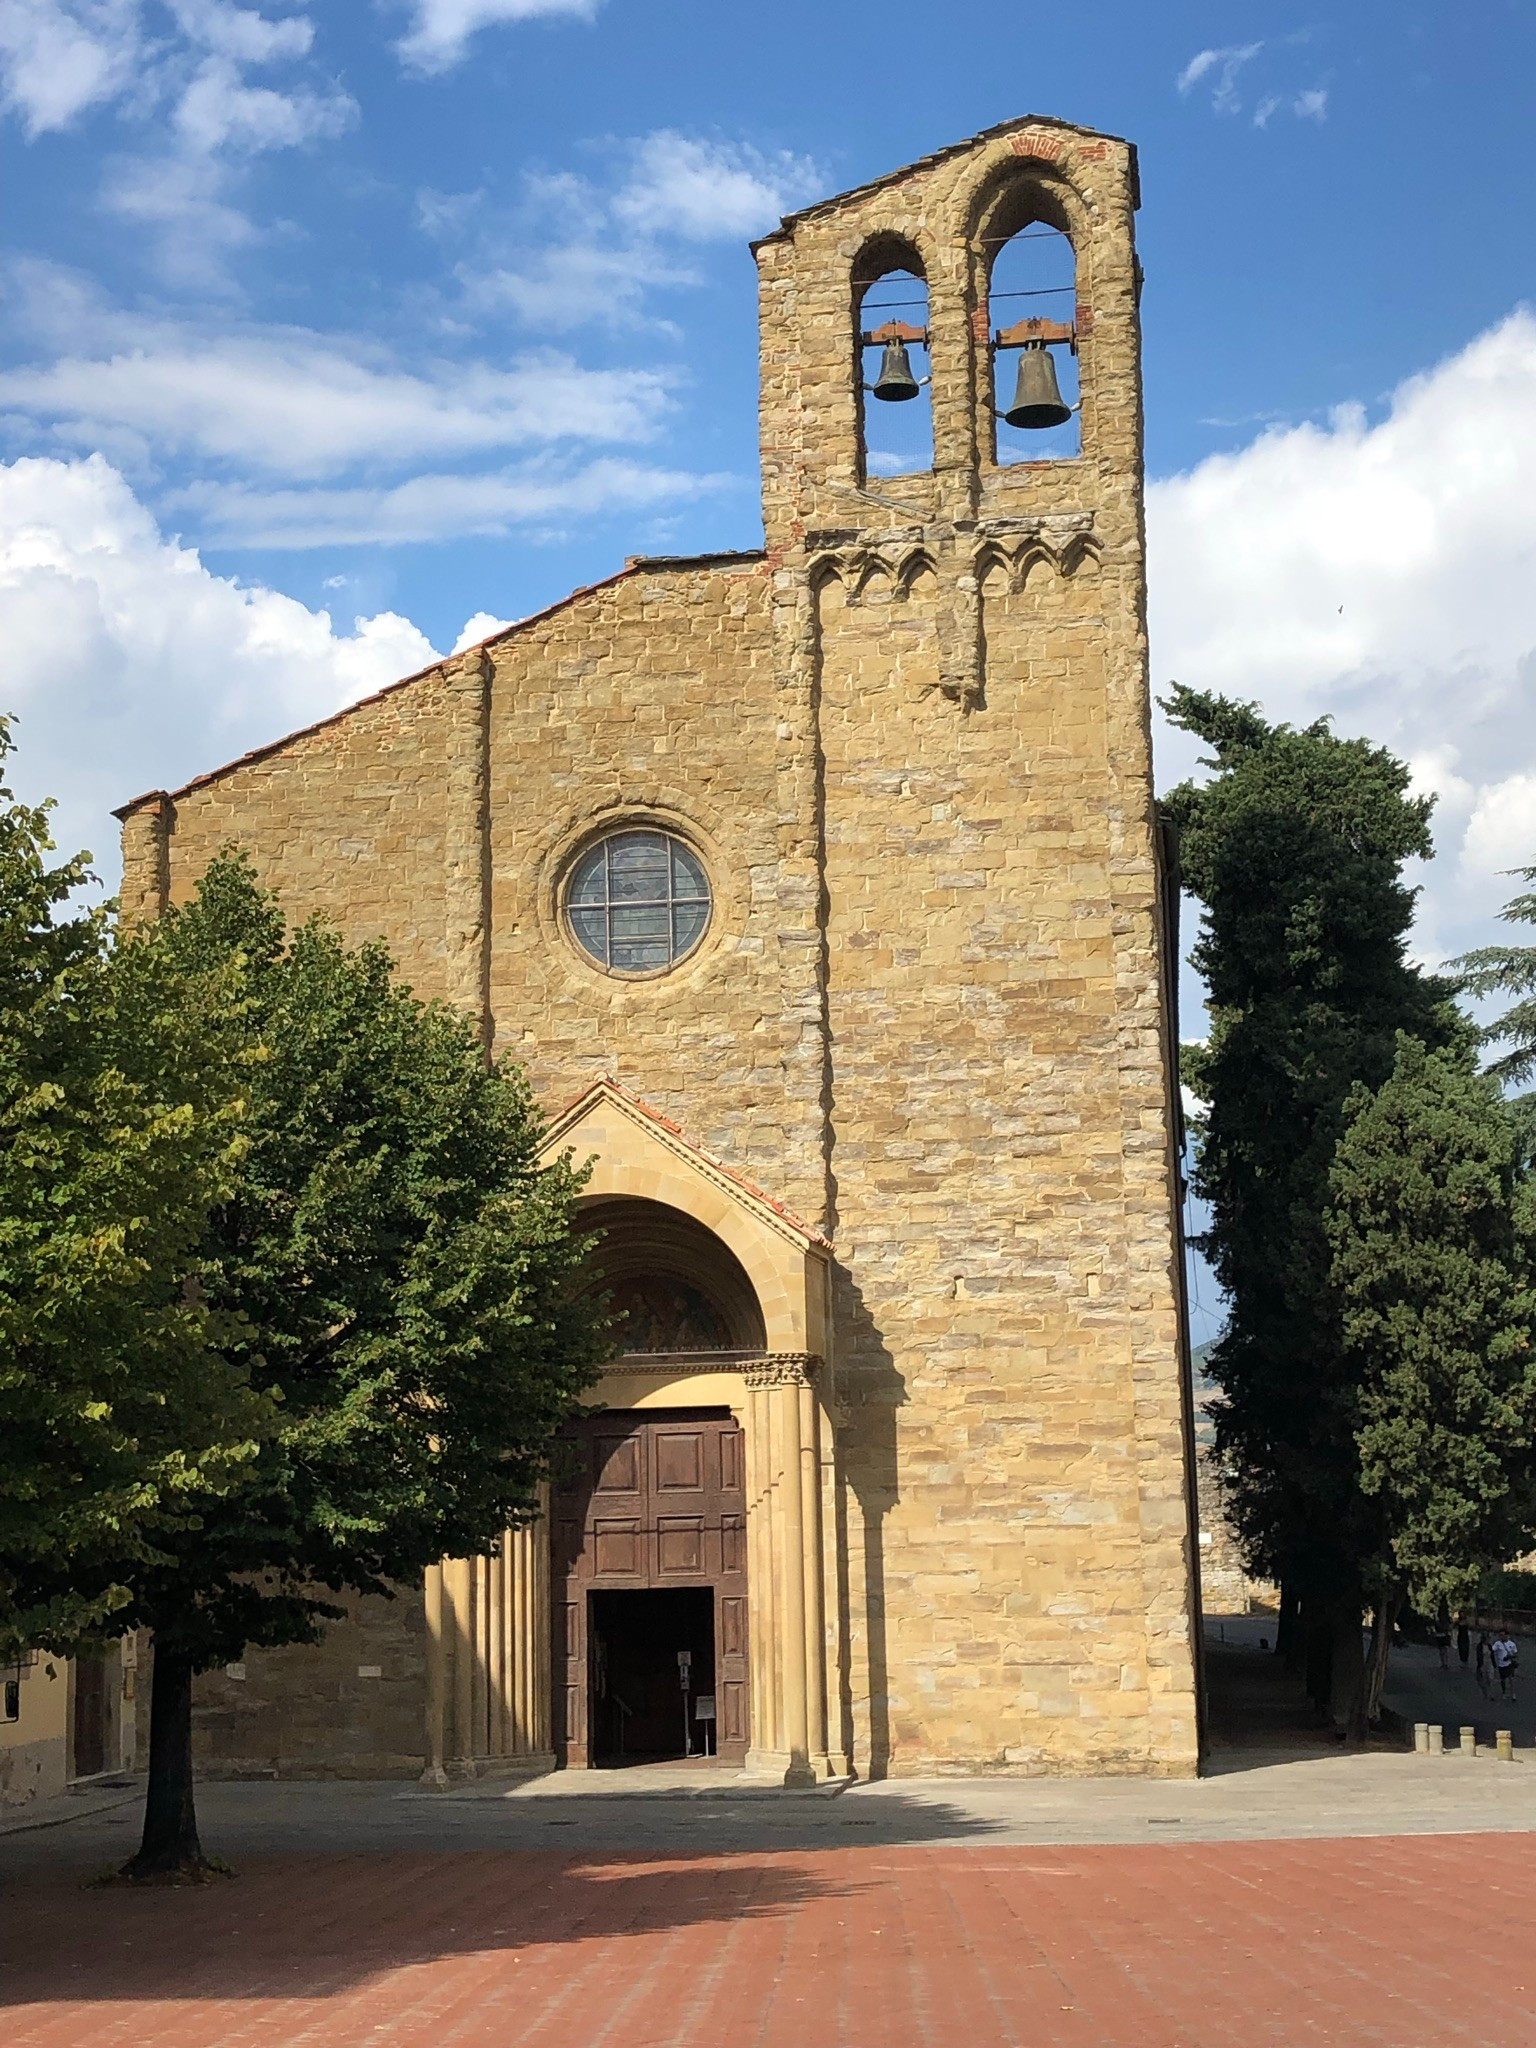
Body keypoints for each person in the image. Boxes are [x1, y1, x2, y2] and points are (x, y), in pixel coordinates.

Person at [1492, 1629, 1520, 1702]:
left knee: (1511, 1679)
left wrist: (1510, 1656)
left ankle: (1513, 1694)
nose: (1501, 1637)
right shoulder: (1497, 1644)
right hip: (1501, 1665)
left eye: (1503, 1635)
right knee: (1503, 1680)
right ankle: (1504, 1692)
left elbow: (1516, 1653)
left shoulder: (1512, 1644)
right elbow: (1492, 1650)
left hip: (1509, 1664)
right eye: (1500, 1635)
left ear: (1507, 1635)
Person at [1477, 1631, 1493, 1699]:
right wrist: (1481, 1665)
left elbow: (1492, 1656)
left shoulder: (1489, 1646)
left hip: (1489, 1663)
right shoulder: (1479, 1646)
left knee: (1489, 1679)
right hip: (1483, 1664)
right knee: (1481, 1680)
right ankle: (1485, 1691)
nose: (1488, 1640)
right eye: (1487, 1639)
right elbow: (1479, 1657)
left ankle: (1490, 1693)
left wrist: (1494, 1665)